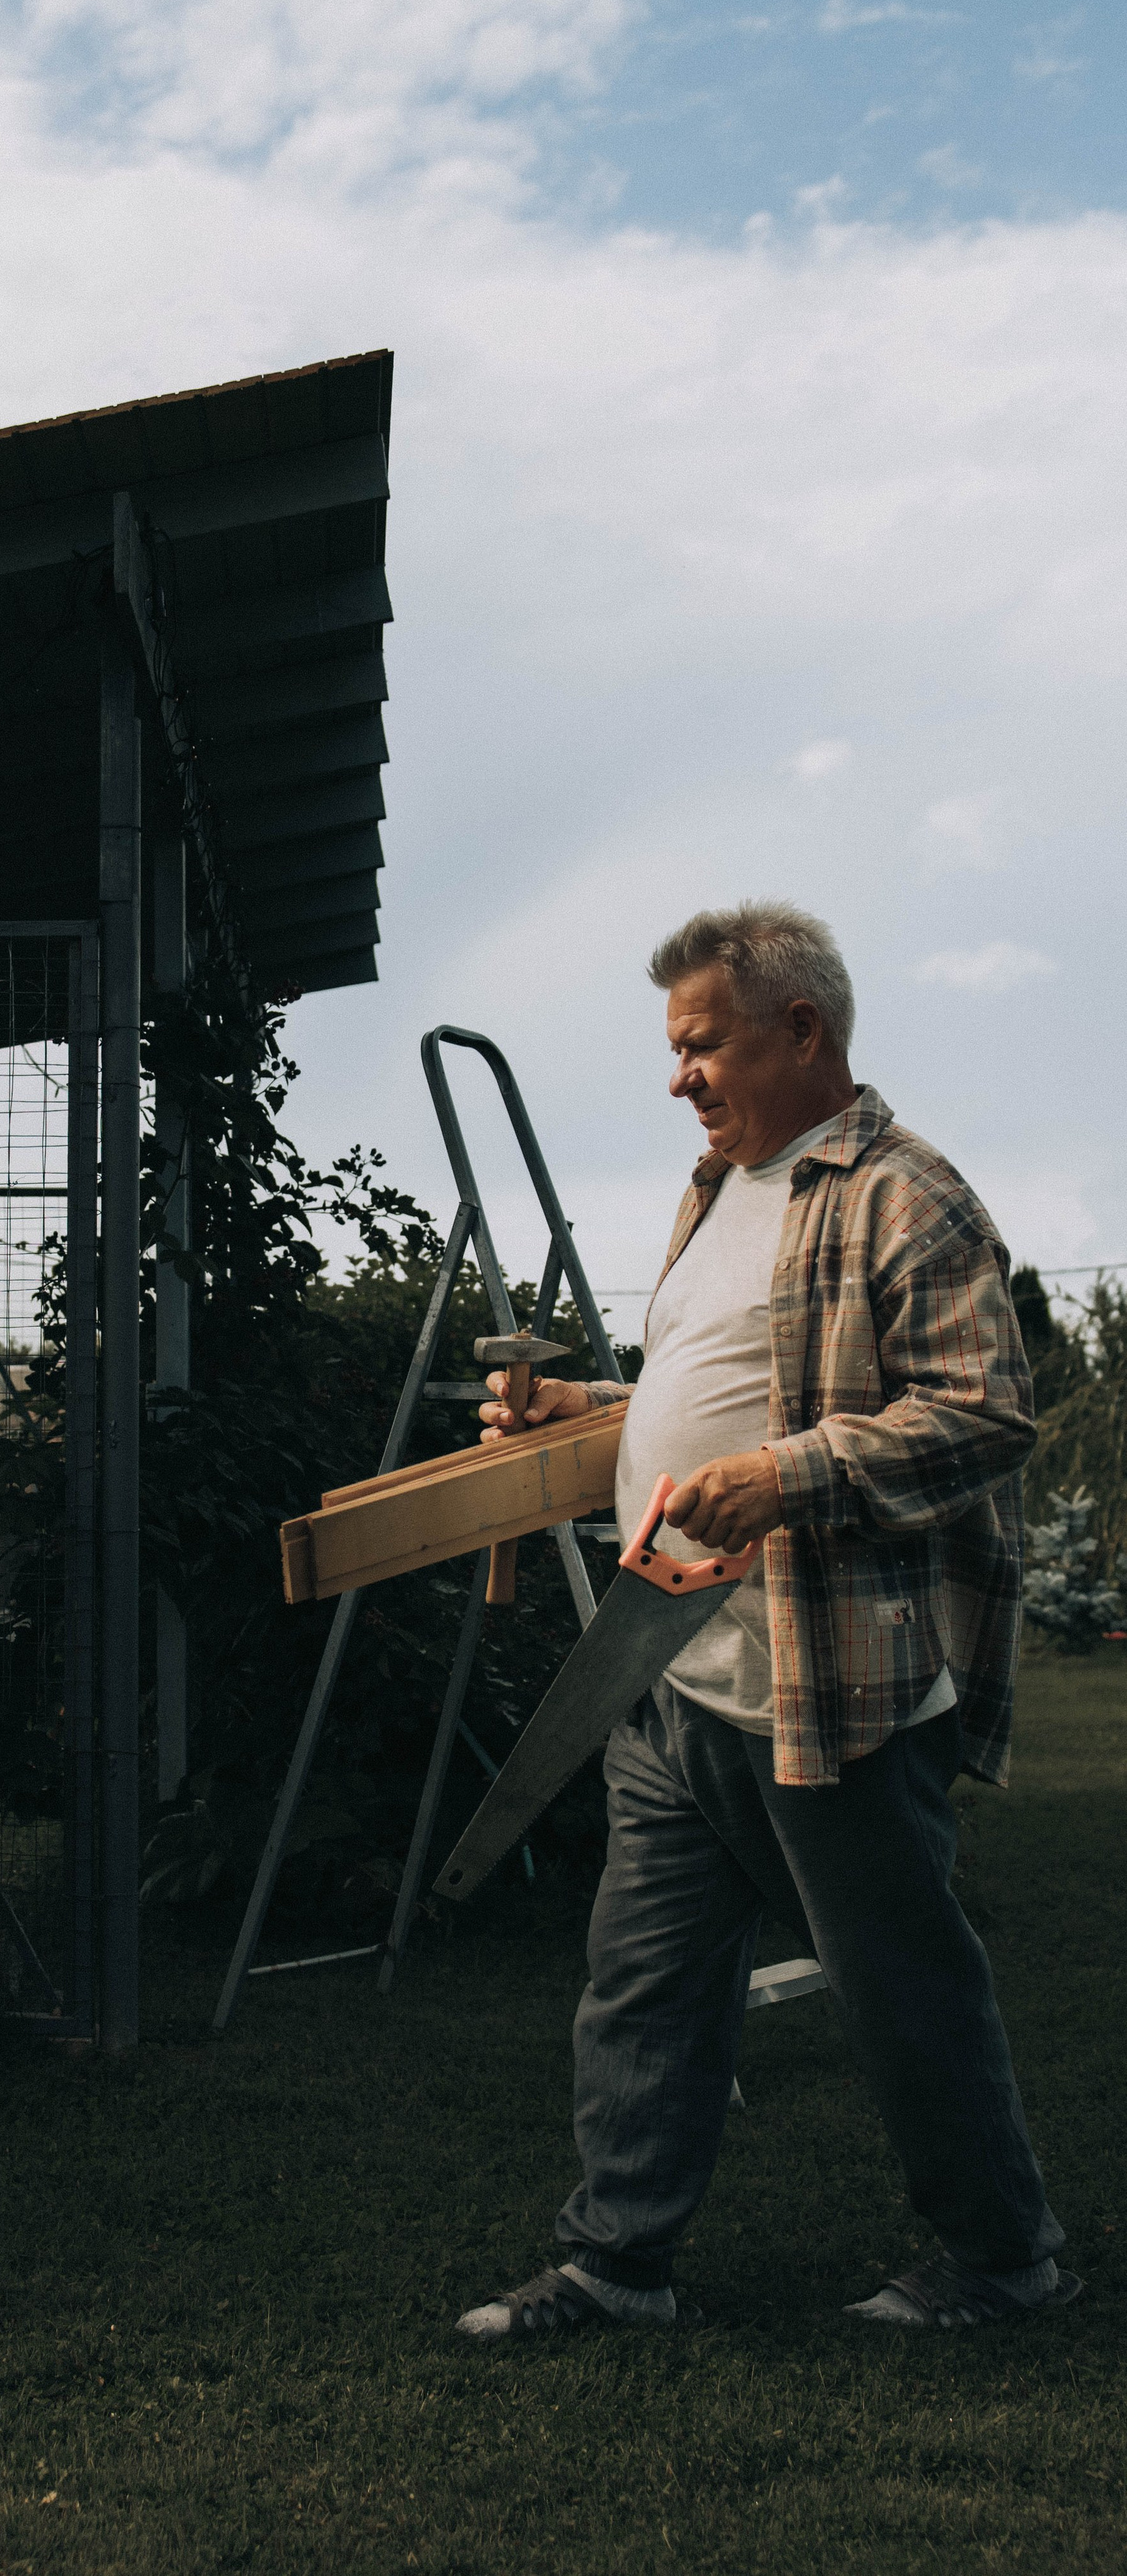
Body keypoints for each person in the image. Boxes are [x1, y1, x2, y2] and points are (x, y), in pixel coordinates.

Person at [456, 900, 1080, 2339]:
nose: (679, 1076)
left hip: (832, 1680)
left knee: (899, 1989)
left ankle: (1003, 2261)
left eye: (703, 1044)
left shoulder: (907, 1197)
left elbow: (984, 1415)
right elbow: (736, 1384)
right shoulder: (718, 1188)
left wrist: (787, 1477)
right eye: (676, 1048)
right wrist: (594, 1408)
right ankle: (617, 2264)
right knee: (643, 1987)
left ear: (800, 1030)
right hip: (676, 1671)